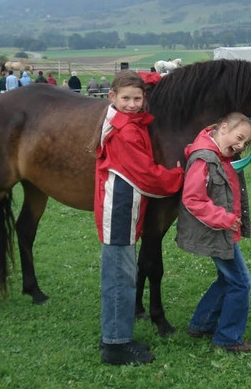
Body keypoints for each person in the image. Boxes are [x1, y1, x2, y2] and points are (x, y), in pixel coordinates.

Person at [94, 70, 184, 366]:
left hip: (121, 207)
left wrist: (158, 79)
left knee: (118, 272)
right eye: (126, 99)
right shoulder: (127, 132)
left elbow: (144, 79)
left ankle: (114, 333)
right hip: (120, 208)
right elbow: (147, 176)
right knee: (120, 276)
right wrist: (178, 175)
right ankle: (116, 345)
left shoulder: (123, 118)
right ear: (112, 97)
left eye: (138, 98)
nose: (132, 104)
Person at [176, 112, 251, 353]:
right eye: (239, 137)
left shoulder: (221, 155)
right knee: (241, 282)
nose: (241, 145)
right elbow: (193, 199)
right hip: (217, 230)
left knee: (227, 279)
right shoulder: (204, 158)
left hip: (223, 230)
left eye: (246, 143)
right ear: (222, 128)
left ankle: (201, 324)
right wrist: (225, 218)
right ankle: (228, 338)